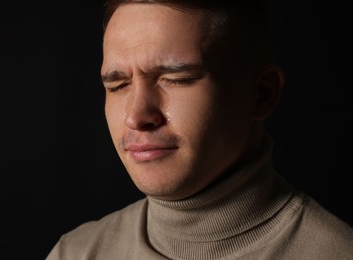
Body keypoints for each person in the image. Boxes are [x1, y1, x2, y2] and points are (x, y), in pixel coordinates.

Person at [46, 0, 353, 259]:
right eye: (118, 84)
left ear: (261, 94)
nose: (137, 116)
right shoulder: (75, 253)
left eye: (176, 79)